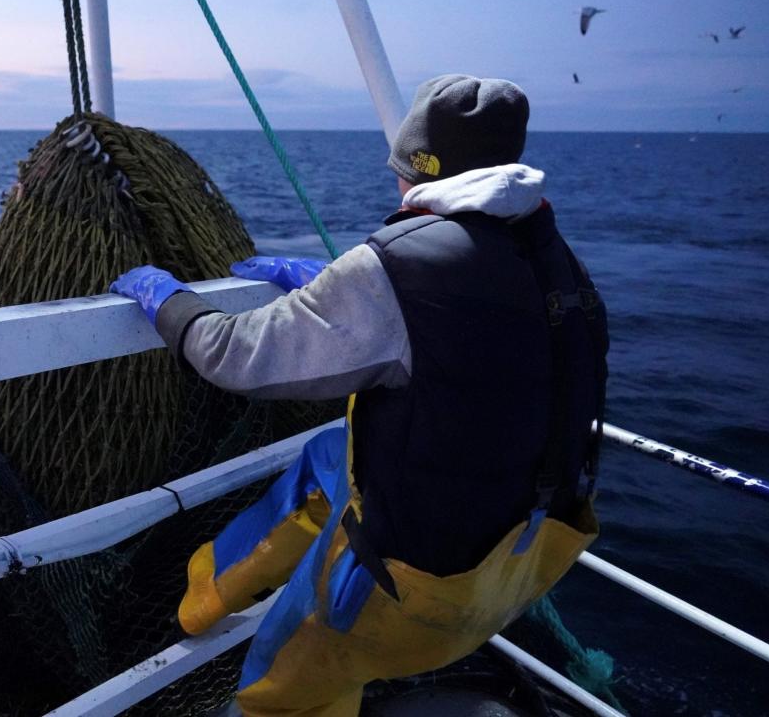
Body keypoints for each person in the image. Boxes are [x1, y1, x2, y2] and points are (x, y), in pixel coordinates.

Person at [110, 74, 609, 717]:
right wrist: (330, 284)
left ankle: (242, 646)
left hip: (412, 594)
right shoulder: (557, 263)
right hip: (522, 567)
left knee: (279, 688)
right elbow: (467, 336)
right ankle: (203, 594)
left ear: (419, 169)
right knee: (329, 452)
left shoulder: (394, 268)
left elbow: (233, 354)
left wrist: (166, 300)